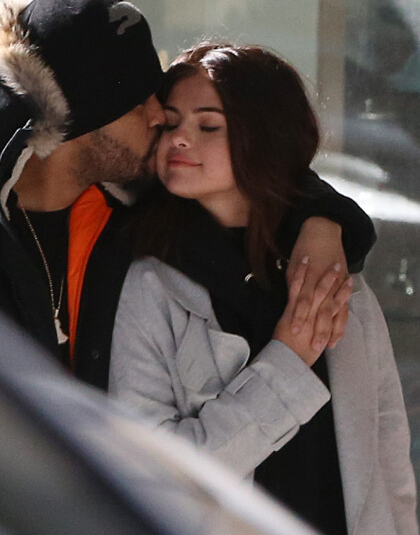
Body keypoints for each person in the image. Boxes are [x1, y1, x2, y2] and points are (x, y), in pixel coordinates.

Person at [0, 0, 374, 391]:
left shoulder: (130, 202)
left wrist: (324, 221)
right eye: (140, 99)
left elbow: (262, 174)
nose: (160, 113)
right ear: (81, 115)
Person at [109, 43, 417, 534]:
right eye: (170, 122)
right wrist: (288, 360)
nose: (181, 139)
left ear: (265, 139)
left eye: (208, 126)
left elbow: (387, 451)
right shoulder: (150, 281)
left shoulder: (331, 270)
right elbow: (157, 477)